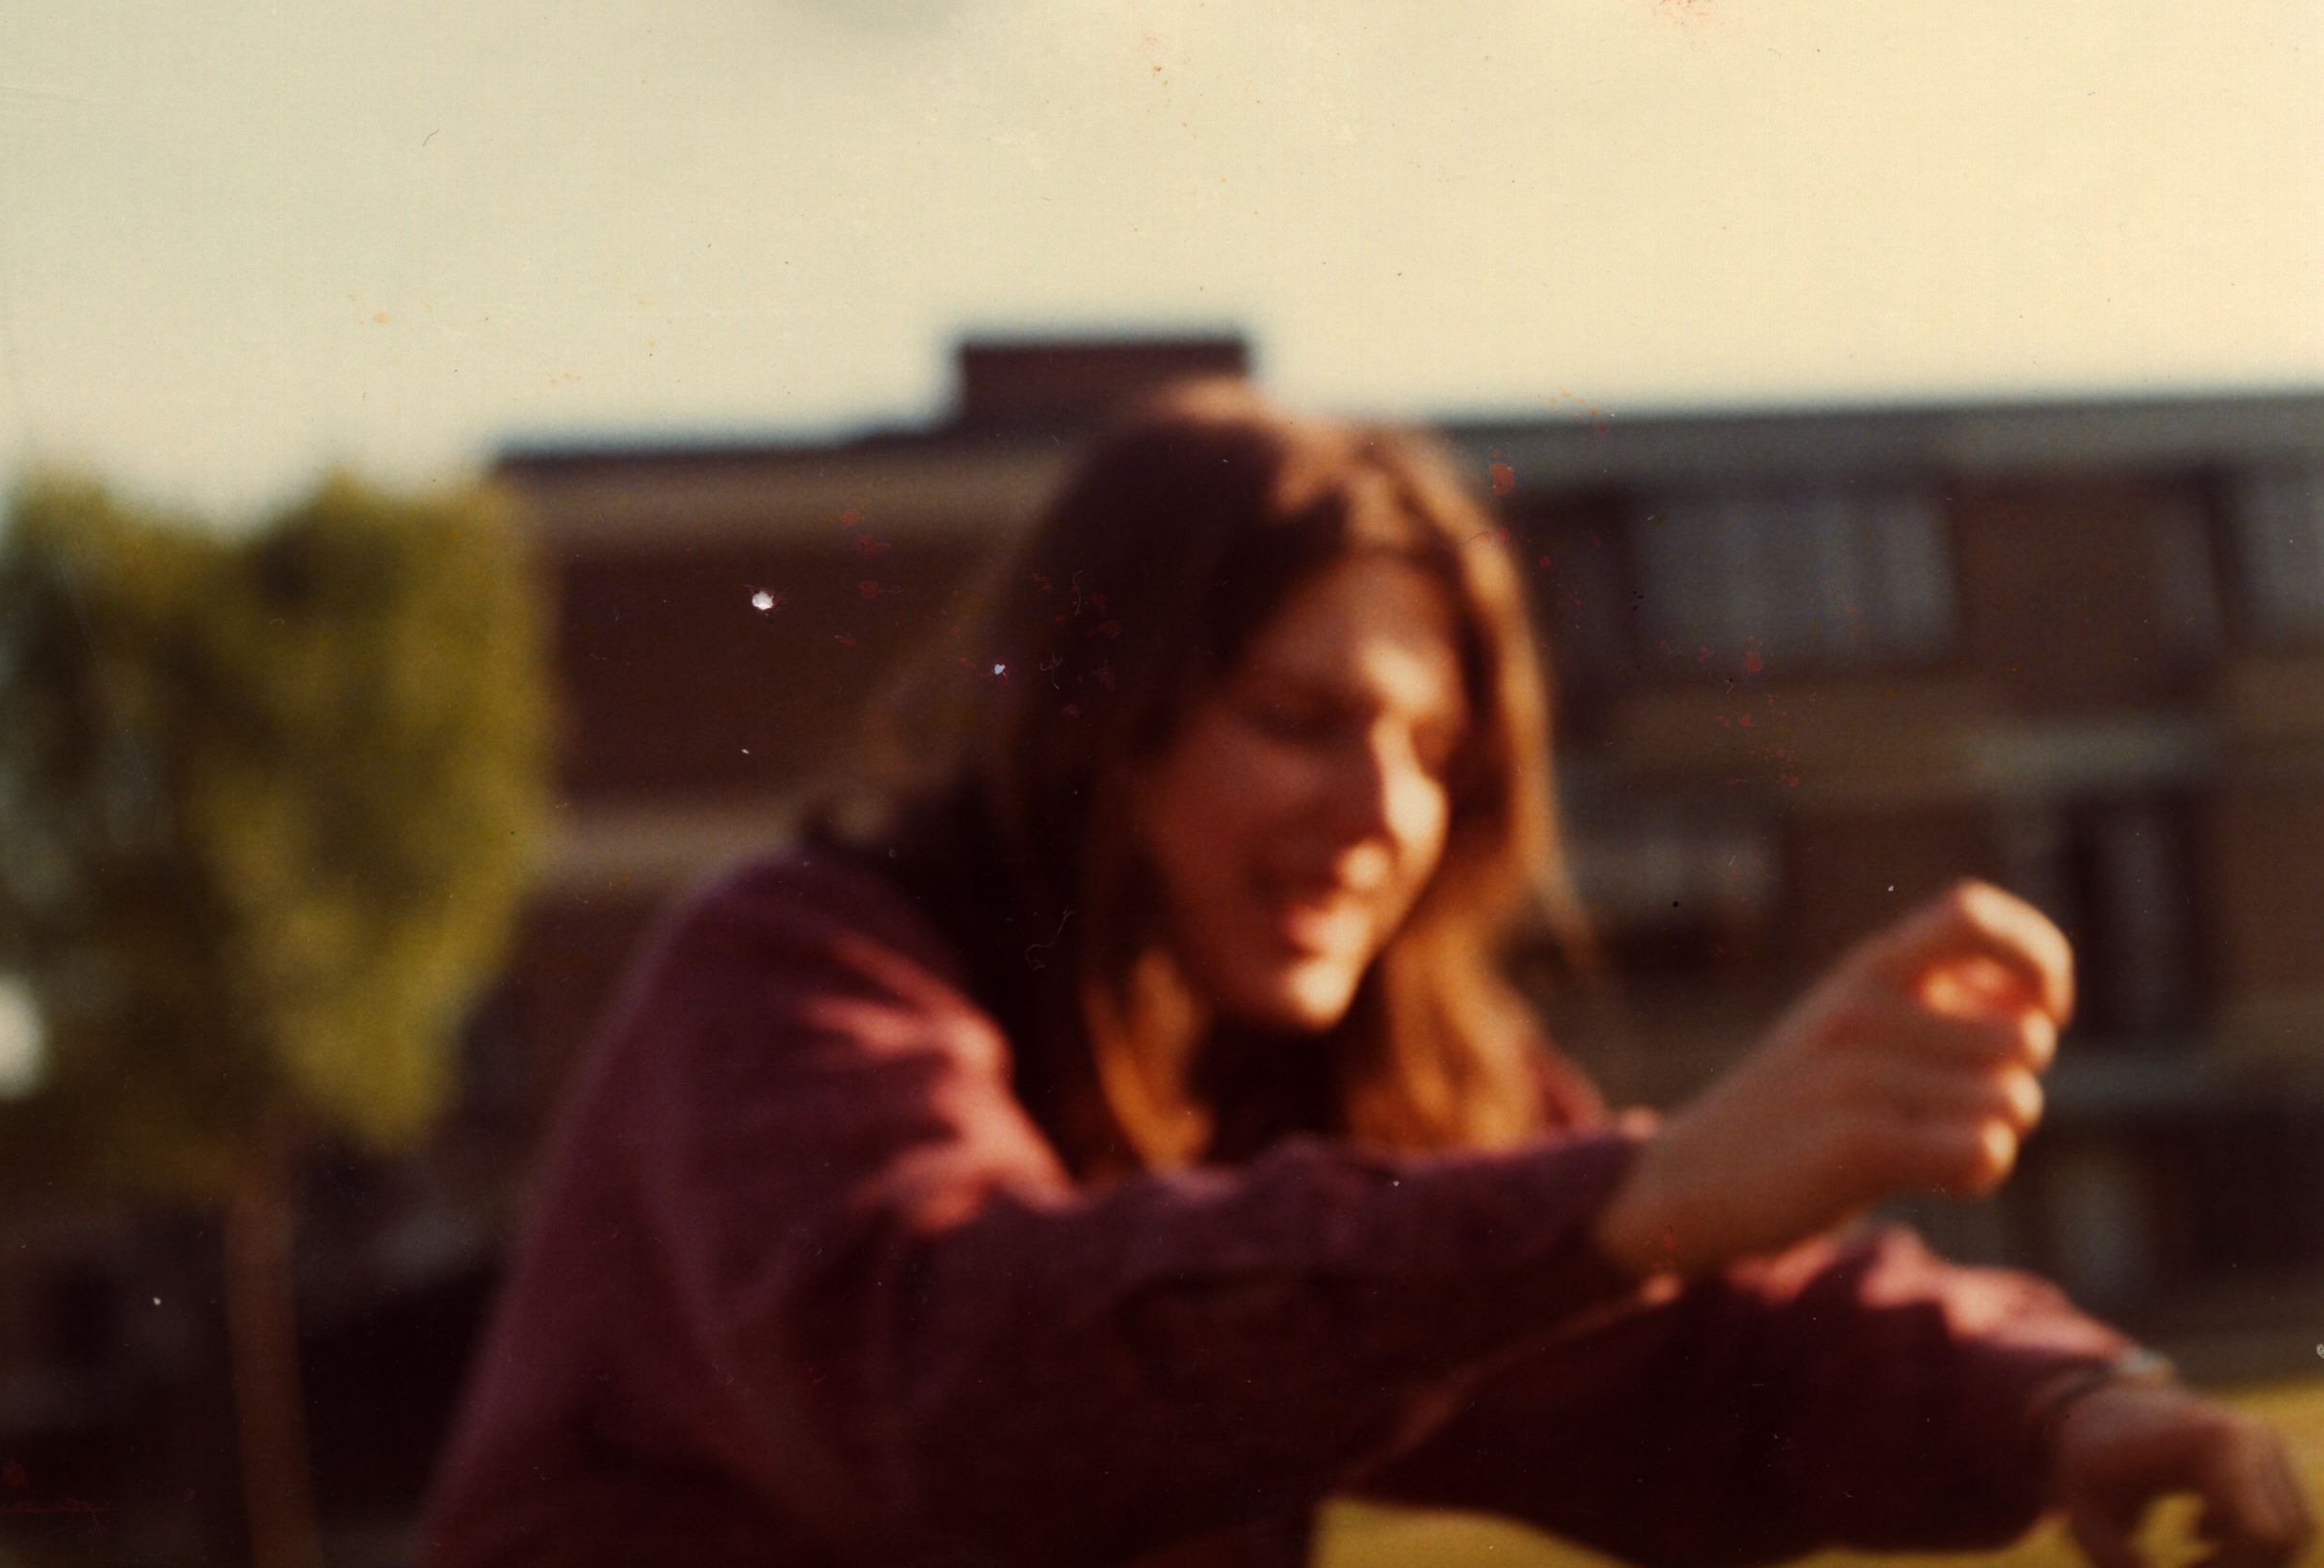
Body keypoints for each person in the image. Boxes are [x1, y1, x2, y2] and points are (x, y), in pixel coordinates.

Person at [417, 383, 2311, 1568]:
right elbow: (941, 1381)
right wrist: (1628, 1196)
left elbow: (1699, 1350)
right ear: (1101, 720)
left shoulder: (1332, 1065)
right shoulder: (789, 963)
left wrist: (2065, 1396)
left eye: (1430, 751)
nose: (1384, 815)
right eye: (1300, 719)